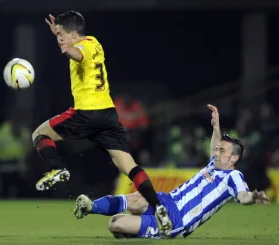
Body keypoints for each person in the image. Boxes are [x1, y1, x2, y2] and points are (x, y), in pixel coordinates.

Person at [31, 10, 172, 233]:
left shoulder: (81, 48)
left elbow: (78, 54)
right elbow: (77, 47)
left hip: (86, 112)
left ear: (74, 34)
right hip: (107, 113)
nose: (59, 38)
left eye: (61, 34)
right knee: (128, 165)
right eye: (57, 34)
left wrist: (67, 49)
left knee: (40, 134)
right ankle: (158, 207)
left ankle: (57, 169)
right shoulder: (95, 42)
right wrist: (60, 35)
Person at [73, 104, 270, 239]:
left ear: (233, 158)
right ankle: (91, 207)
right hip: (167, 200)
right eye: (218, 149)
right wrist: (216, 126)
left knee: (115, 224)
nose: (217, 152)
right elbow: (213, 146)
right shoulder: (213, 165)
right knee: (135, 199)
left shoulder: (233, 176)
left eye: (222, 151)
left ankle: (143, 230)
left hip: (177, 220)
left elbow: (243, 196)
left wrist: (253, 196)